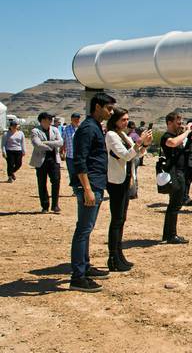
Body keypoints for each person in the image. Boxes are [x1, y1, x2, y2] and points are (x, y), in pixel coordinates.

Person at [69, 93, 116, 292]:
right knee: (83, 230)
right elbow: (80, 160)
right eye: (109, 108)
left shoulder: (95, 126)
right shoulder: (88, 128)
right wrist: (87, 189)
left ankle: (85, 267)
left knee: (86, 230)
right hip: (90, 186)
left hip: (96, 185)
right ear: (98, 106)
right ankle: (78, 277)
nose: (111, 112)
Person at [105, 107, 152, 271]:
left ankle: (119, 254)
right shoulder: (111, 135)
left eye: (127, 119)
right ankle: (112, 257)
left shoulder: (123, 134)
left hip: (125, 179)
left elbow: (136, 154)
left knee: (121, 219)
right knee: (116, 219)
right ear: (115, 120)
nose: (126, 122)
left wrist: (144, 145)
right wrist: (139, 143)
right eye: (123, 119)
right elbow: (125, 155)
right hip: (116, 181)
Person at [160, 111, 192, 244]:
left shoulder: (177, 135)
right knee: (174, 205)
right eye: (177, 122)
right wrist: (186, 132)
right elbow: (173, 143)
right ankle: (171, 235)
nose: (180, 124)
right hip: (175, 173)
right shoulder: (167, 136)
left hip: (180, 172)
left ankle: (168, 234)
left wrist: (189, 135)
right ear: (169, 123)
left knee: (174, 205)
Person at [30, 112, 64, 213]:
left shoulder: (55, 129)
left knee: (56, 182)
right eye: (48, 120)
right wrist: (50, 146)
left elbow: (61, 142)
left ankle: (55, 205)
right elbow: (37, 144)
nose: (50, 121)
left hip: (54, 160)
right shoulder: (35, 131)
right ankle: (45, 205)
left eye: (51, 120)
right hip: (41, 161)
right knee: (42, 183)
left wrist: (45, 143)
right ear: (42, 120)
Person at [61, 112, 81, 181]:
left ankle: (81, 190)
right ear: (71, 119)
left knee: (81, 175)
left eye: (78, 119)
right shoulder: (66, 129)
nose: (76, 120)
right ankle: (75, 190)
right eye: (75, 119)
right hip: (70, 157)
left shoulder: (82, 129)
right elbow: (63, 141)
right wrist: (62, 152)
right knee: (72, 175)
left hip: (81, 157)